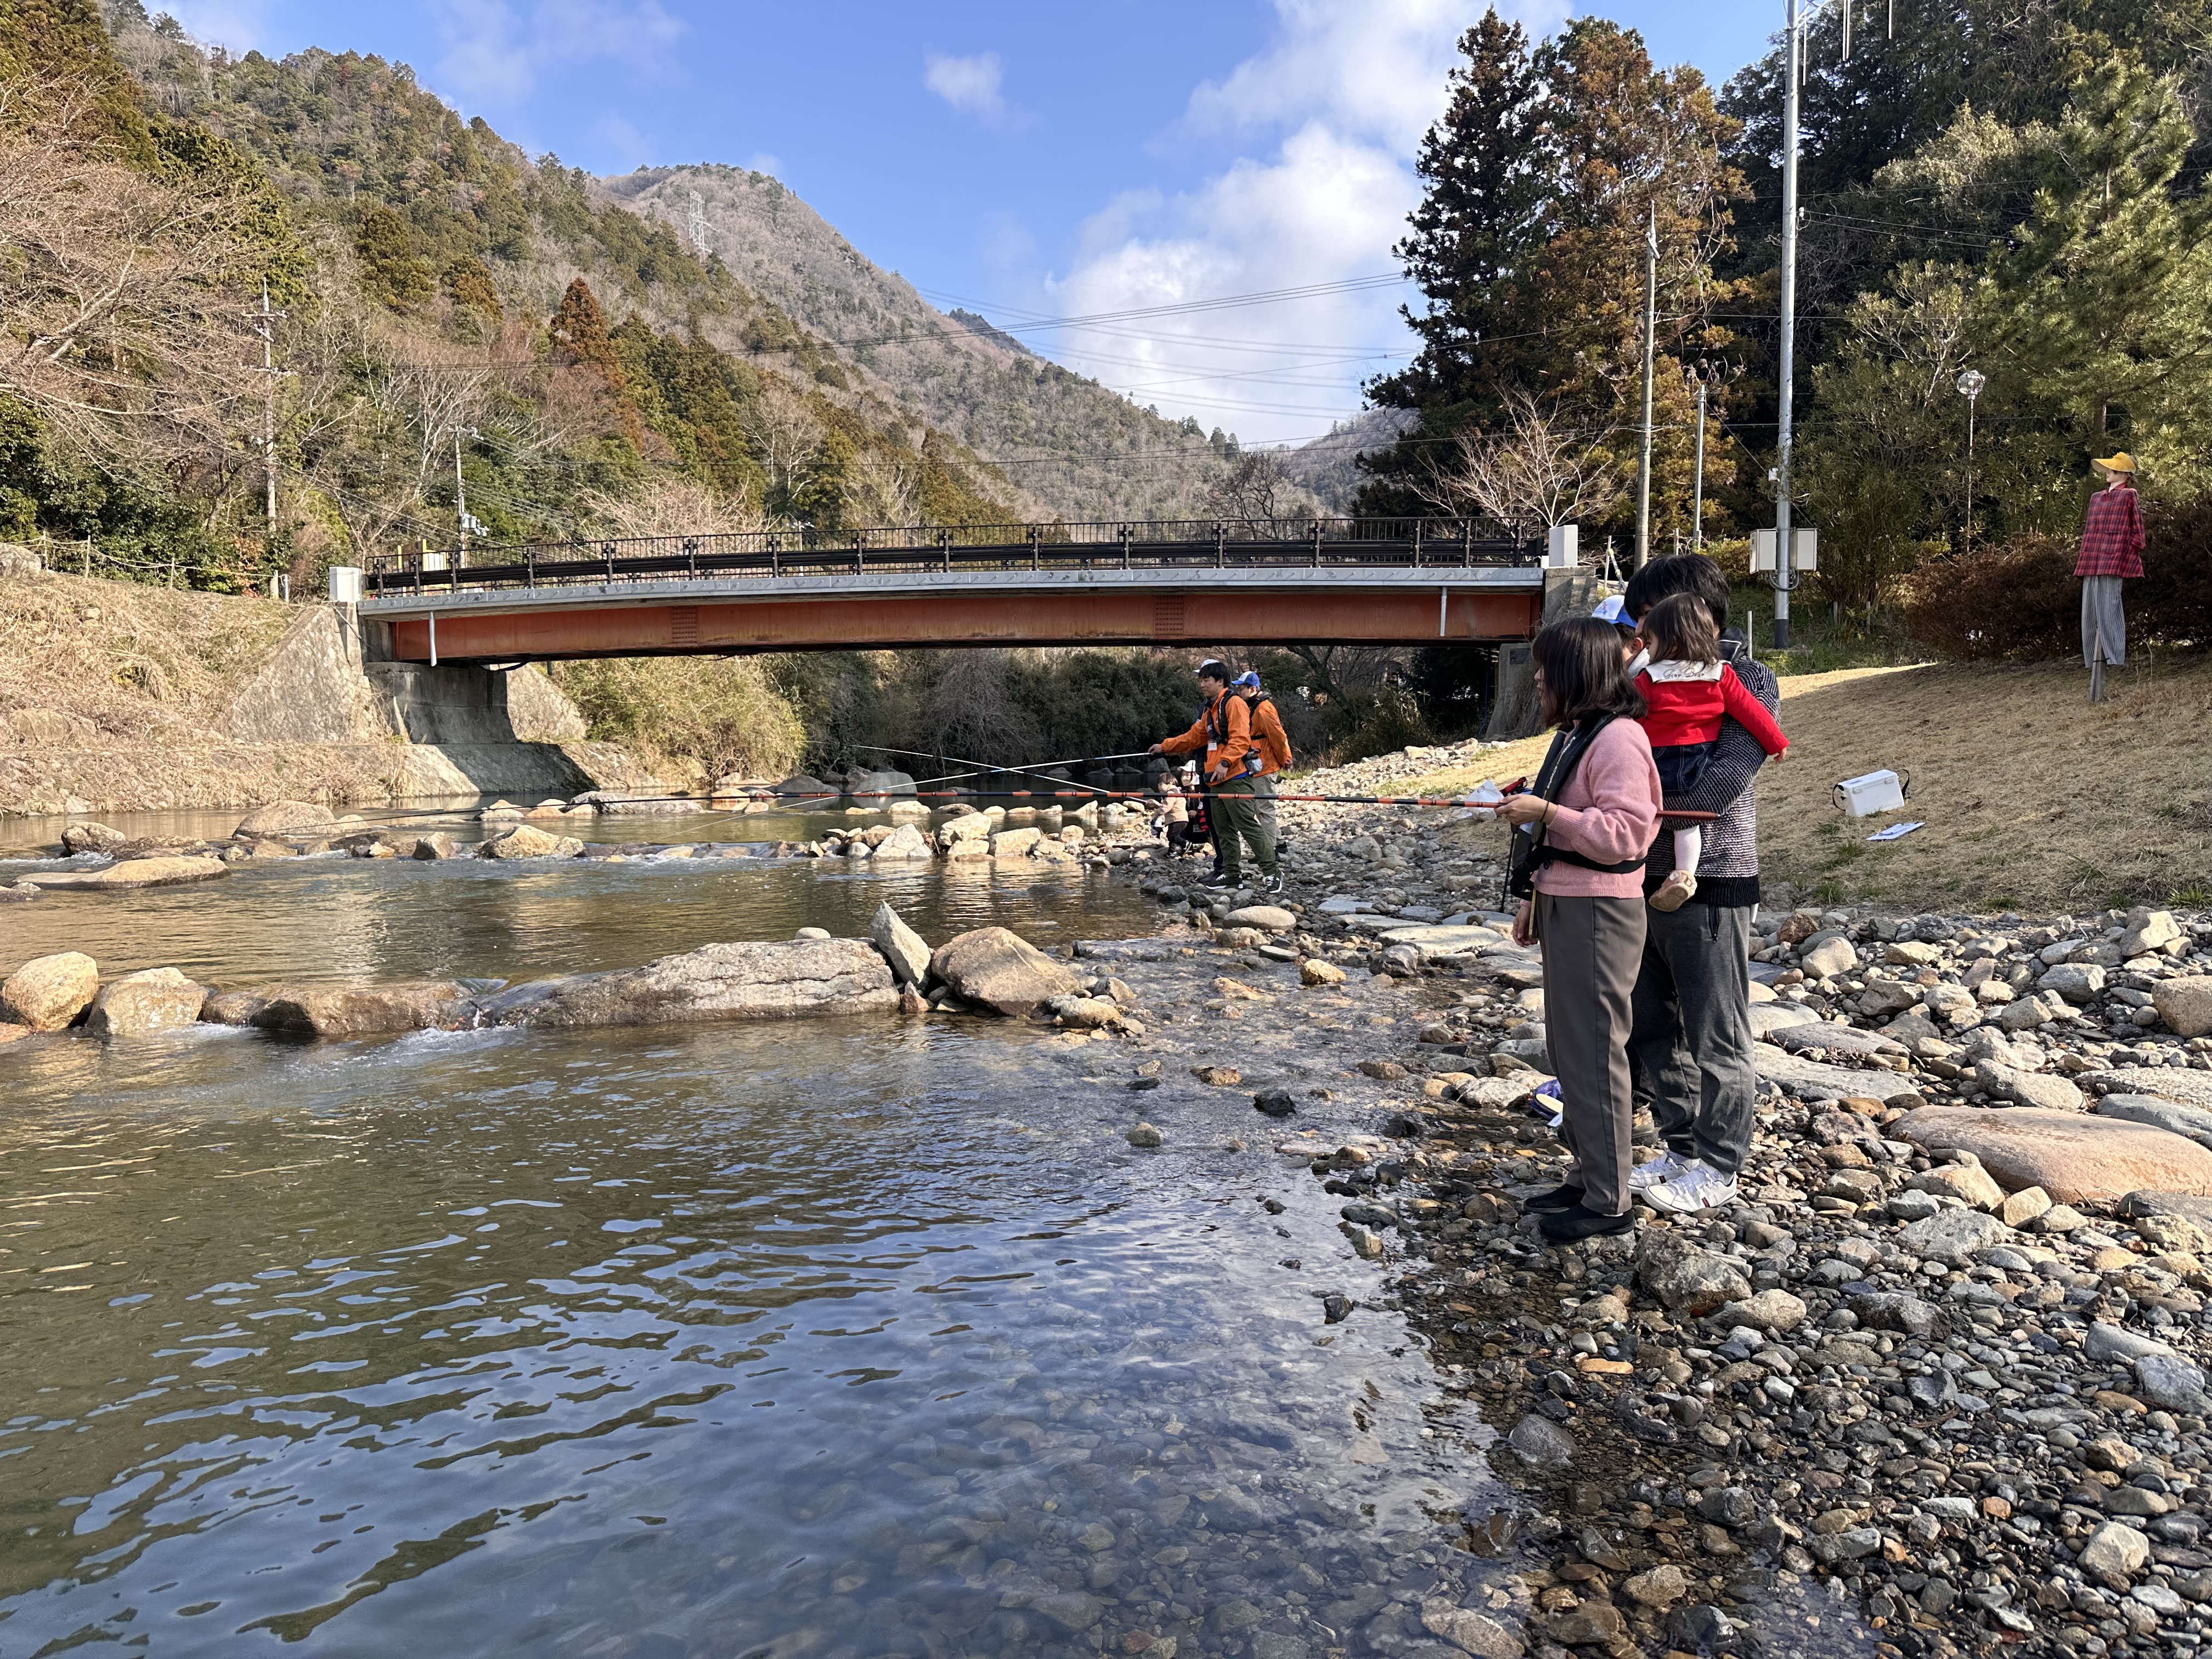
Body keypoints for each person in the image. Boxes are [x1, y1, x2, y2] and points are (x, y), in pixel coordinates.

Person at [1620, 555, 1780, 1216]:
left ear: (1695, 611)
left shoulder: (1747, 676)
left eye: (1648, 615)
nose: (1639, 628)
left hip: (1710, 877)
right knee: (1651, 1027)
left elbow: (1736, 766)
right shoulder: (1644, 673)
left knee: (1718, 1033)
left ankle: (1721, 1164)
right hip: (1634, 871)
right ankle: (1681, 1146)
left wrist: (1654, 810)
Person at [1499, 617, 1662, 1244]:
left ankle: (1610, 1200)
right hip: (1569, 904)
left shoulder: (1619, 739)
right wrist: (1535, 902)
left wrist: (1546, 812)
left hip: (1601, 914)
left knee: (1595, 1055)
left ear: (1576, 675)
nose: (1538, 678)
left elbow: (1627, 834)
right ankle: (1589, 1176)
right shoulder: (1582, 733)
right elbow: (1572, 837)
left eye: (1547, 668)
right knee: (1570, 1051)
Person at [1632, 593, 1790, 913]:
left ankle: (1636, 867)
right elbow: (1751, 712)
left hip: (1654, 760)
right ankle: (1685, 874)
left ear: (1669, 641)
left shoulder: (1648, 678)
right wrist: (1777, 742)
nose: (1645, 645)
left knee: (1649, 816)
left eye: (1650, 639)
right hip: (1698, 760)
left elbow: (1627, 716)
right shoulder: (1720, 674)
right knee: (1687, 824)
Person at [1150, 660, 1280, 893]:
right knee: (1223, 830)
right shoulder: (1211, 709)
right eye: (1201, 680)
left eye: (1206, 680)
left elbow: (1241, 739)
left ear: (1220, 681)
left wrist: (1224, 762)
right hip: (1215, 779)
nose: (1202, 684)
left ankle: (1272, 872)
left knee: (1248, 826)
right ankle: (1231, 874)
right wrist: (1165, 746)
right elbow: (1193, 737)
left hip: (1235, 777)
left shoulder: (1234, 704)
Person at [2076, 452, 2145, 671]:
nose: (2108, 472)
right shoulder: (2096, 497)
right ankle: (2092, 660)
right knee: (2089, 611)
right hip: (2092, 557)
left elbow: (2138, 530)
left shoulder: (2129, 495)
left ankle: (2115, 658)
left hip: (2115, 557)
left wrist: (2129, 551)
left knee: (2109, 608)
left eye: (2112, 469)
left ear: (2123, 473)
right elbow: (2090, 529)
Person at [1232, 669, 1295, 862]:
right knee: (1262, 807)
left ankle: (1269, 851)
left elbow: (1278, 735)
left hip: (1264, 765)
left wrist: (1285, 758)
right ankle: (1279, 843)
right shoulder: (1256, 706)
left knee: (1264, 808)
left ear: (1252, 689)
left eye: (1241, 688)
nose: (1238, 692)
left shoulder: (1263, 709)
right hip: (1259, 764)